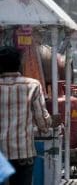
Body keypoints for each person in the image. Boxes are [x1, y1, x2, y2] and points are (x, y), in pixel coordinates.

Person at [0, 46, 58, 185]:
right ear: (19, 64)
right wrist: (51, 122)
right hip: (23, 154)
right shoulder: (32, 85)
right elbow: (43, 125)